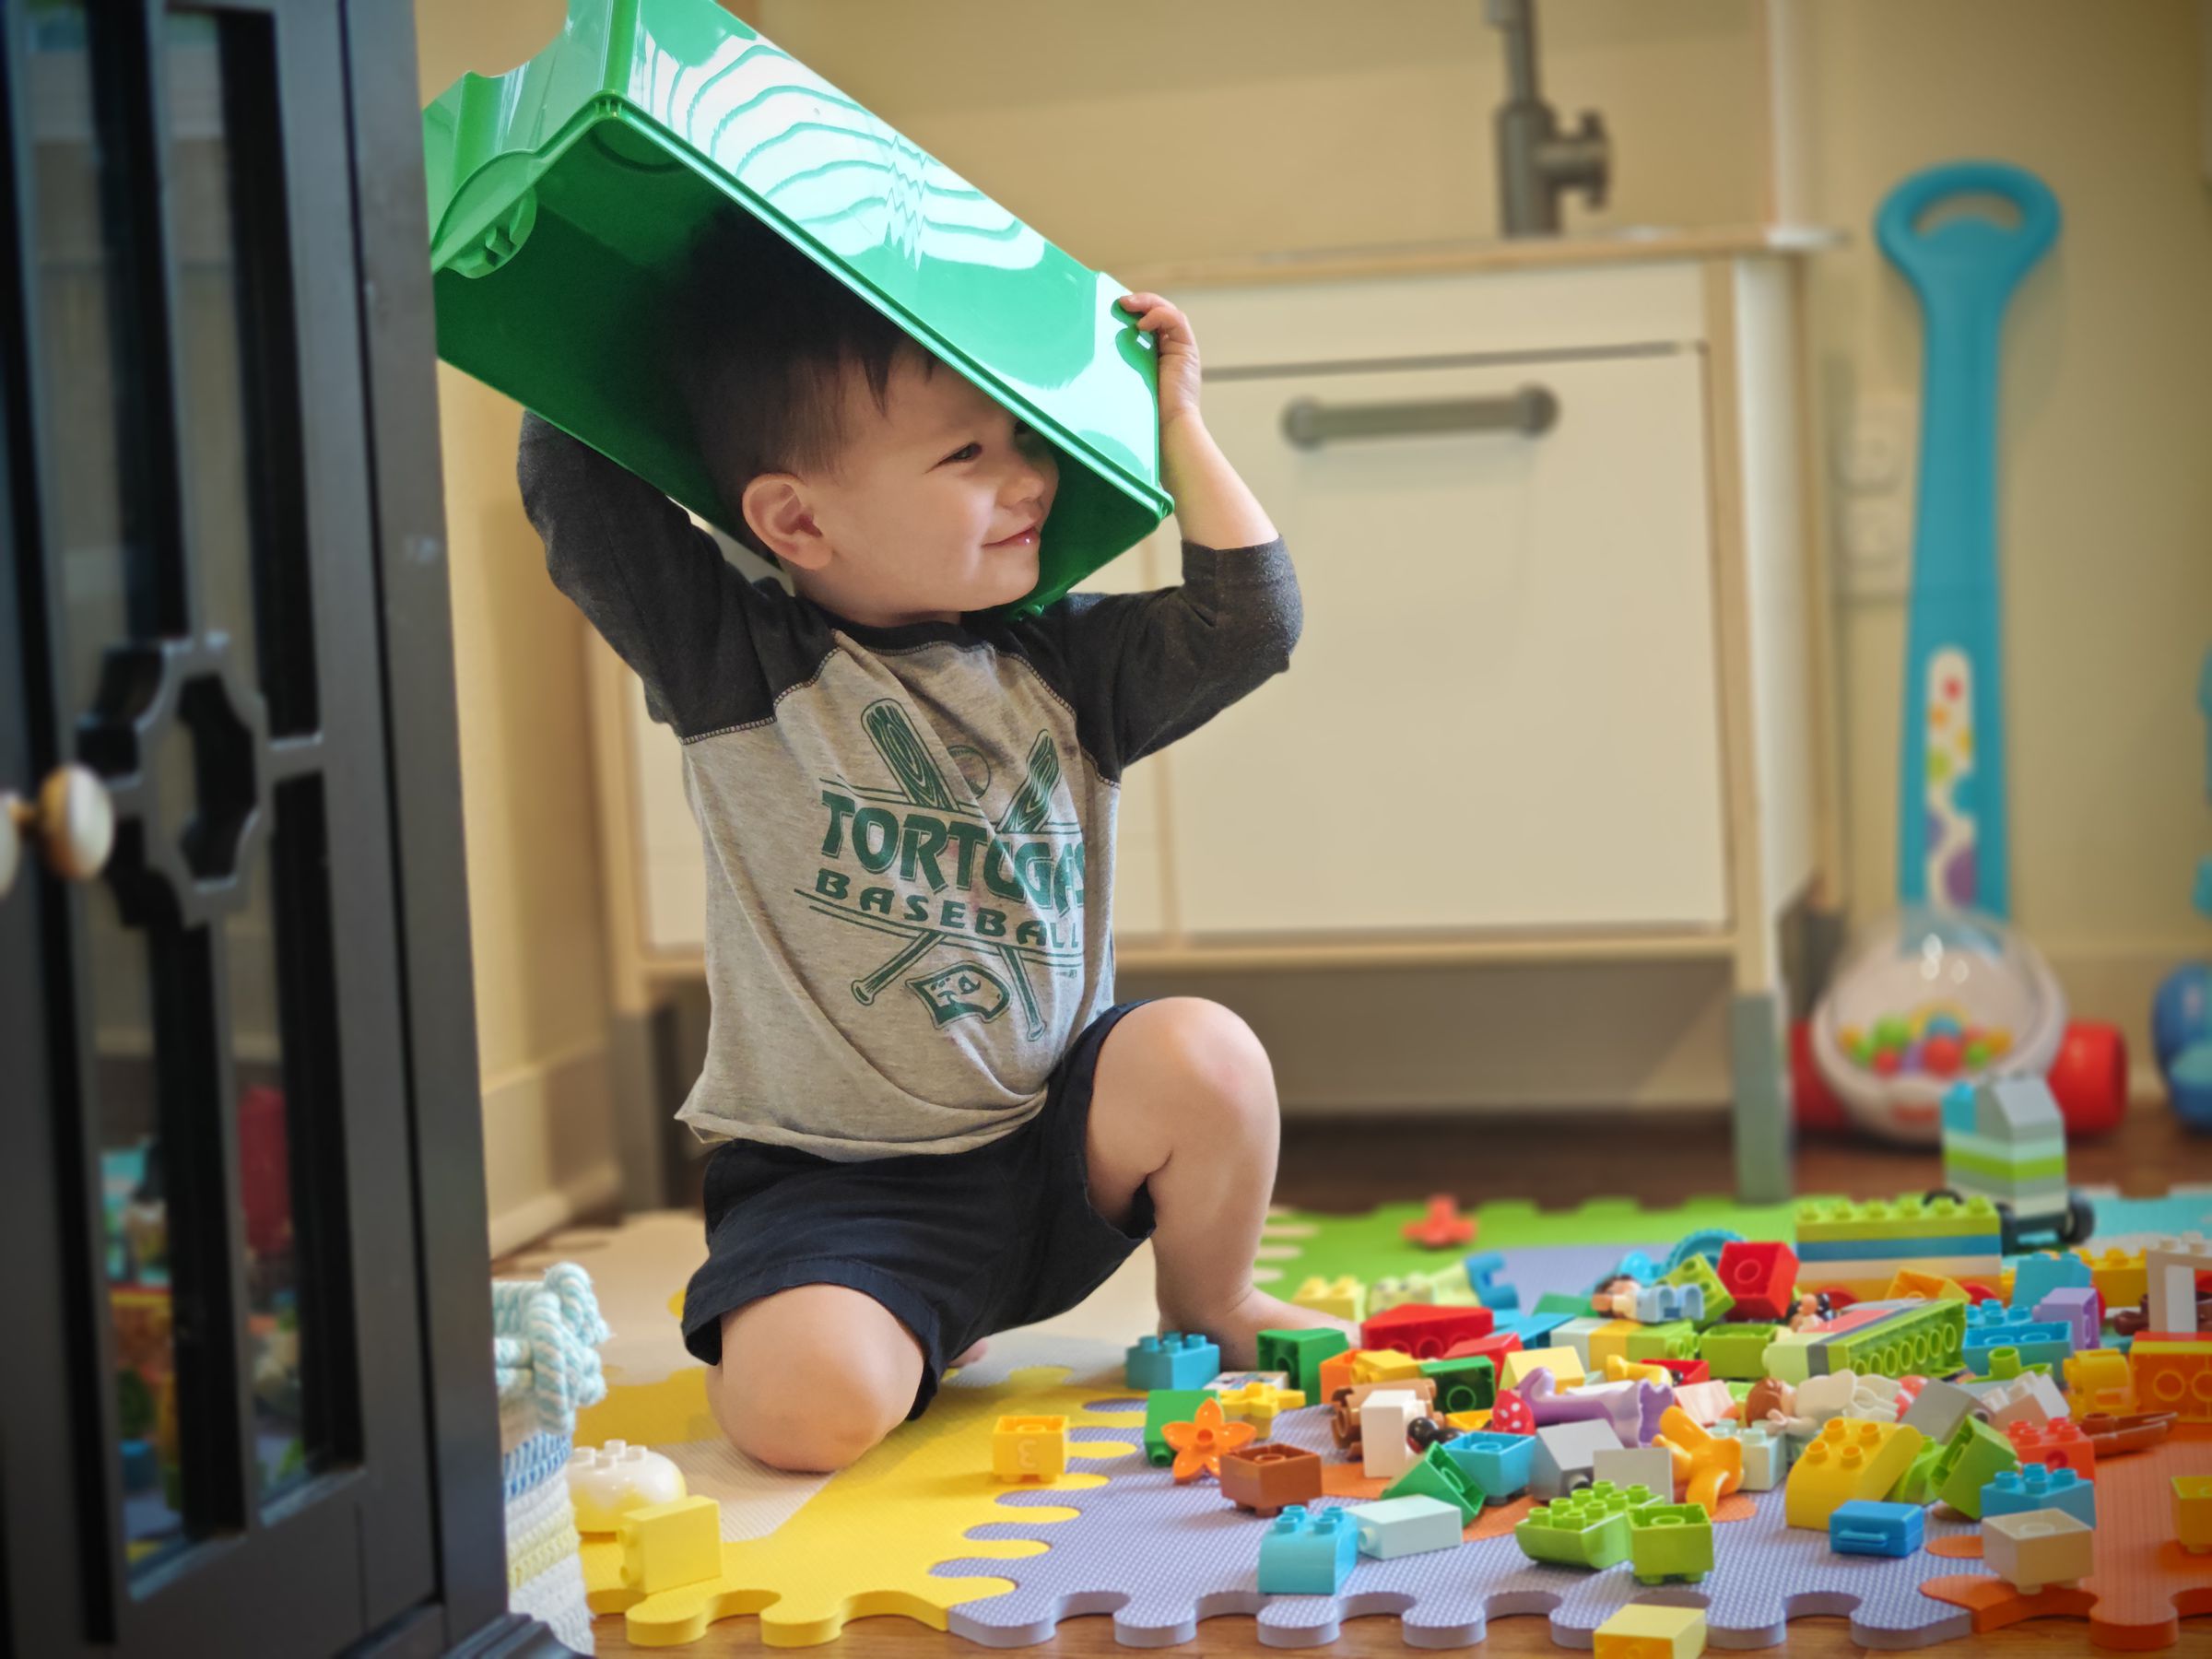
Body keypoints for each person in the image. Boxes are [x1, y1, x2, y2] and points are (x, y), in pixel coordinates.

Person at [519, 210, 1350, 1474]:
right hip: (840, 1194)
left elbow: (1253, 622)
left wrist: (1179, 420)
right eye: (968, 453)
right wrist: (636, 252)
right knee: (804, 1423)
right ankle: (901, 1319)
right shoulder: (736, 660)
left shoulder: (1063, 663)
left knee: (1205, 1055)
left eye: (1022, 439)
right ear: (796, 523)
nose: (1029, 480)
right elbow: (577, 480)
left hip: (1056, 1151)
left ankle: (1213, 1300)